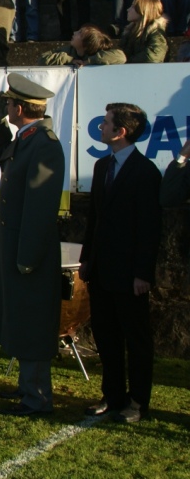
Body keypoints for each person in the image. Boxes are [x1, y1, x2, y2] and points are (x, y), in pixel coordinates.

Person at [0, 74, 66, 416]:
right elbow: (3, 154)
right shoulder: (27, 138)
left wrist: (28, 256)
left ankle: (38, 397)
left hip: (30, 251)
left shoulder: (43, 144)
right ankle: (27, 388)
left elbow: (40, 207)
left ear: (19, 108)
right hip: (18, 247)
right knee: (19, 317)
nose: (6, 108)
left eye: (8, 104)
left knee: (32, 323)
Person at [80, 103, 160, 424]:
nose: (101, 127)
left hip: (129, 275)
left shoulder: (145, 172)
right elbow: (94, 219)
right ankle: (112, 395)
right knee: (106, 336)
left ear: (121, 131)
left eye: (106, 123)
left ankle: (138, 402)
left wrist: (143, 273)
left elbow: (150, 228)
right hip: (102, 270)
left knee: (136, 340)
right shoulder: (102, 167)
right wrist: (87, 259)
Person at [38, 26, 126, 66]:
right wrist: (69, 60)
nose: (74, 33)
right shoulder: (68, 50)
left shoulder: (97, 52)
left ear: (87, 44)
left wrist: (88, 61)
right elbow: (42, 59)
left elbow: (121, 57)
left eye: (80, 33)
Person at [119, 0, 168, 64]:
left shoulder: (156, 33)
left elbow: (153, 57)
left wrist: (126, 62)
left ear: (143, 10)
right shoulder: (130, 32)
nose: (128, 10)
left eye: (133, 7)